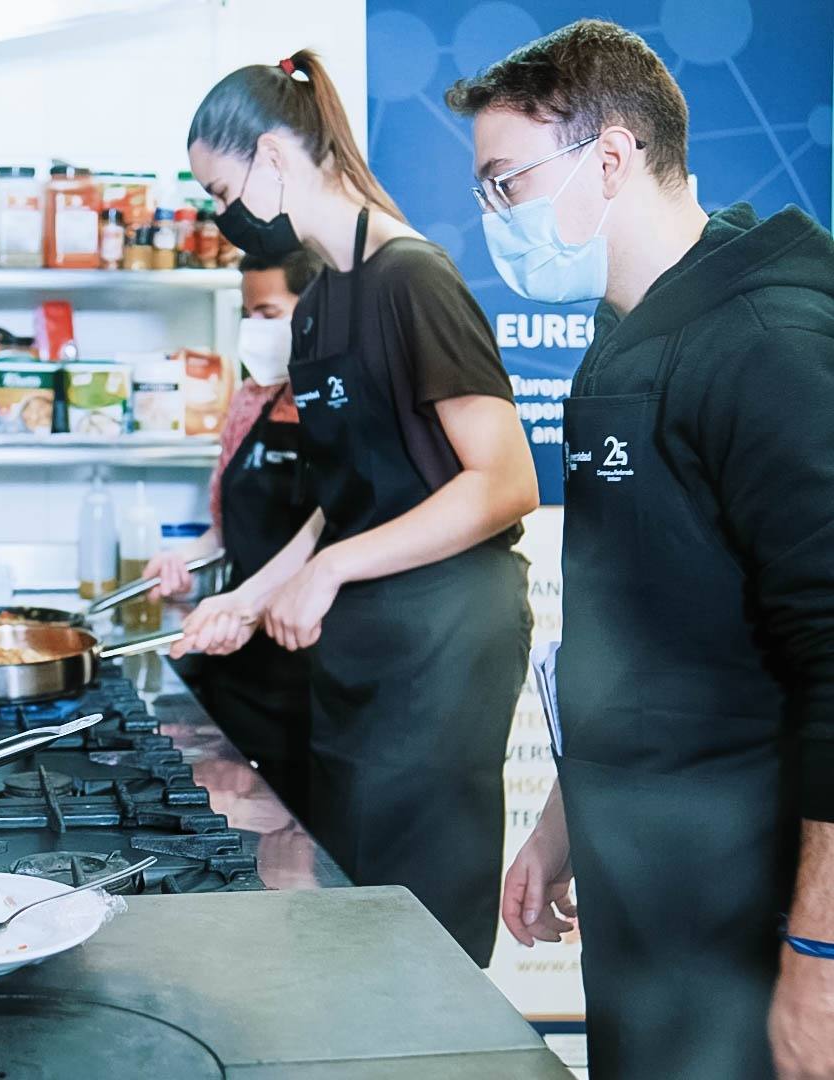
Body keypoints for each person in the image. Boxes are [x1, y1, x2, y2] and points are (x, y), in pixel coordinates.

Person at [447, 18, 834, 1079]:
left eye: (505, 183)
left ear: (610, 157)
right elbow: (632, 628)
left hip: (747, 923)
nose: (494, 217)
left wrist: (821, 955)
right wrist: (564, 824)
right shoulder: (624, 339)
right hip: (644, 892)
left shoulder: (766, 345)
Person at [174, 49, 538, 966]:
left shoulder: (413, 280)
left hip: (446, 644)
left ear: (270, 160)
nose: (225, 221)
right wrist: (251, 596)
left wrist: (334, 569)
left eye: (221, 193)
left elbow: (504, 482)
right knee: (350, 918)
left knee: (419, 940)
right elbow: (342, 502)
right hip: (362, 650)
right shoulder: (319, 303)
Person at [146, 248, 322, 819]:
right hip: (236, 659)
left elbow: (337, 533)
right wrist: (181, 563)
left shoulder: (343, 407)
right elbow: (223, 533)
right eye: (248, 315)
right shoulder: (251, 401)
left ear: (315, 308)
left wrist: (248, 604)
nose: (255, 331)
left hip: (310, 669)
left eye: (269, 313)